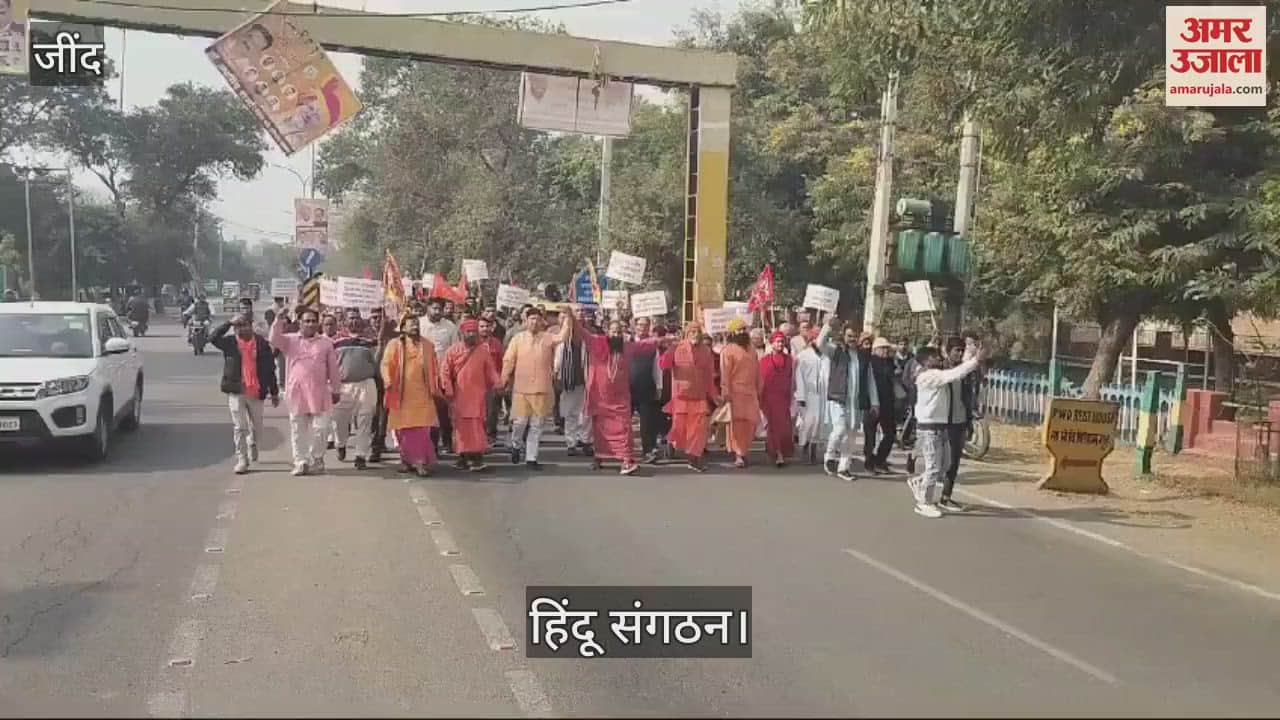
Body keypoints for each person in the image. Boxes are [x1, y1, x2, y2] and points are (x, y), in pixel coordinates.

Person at [567, 305, 652, 475]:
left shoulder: (627, 347)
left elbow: (646, 344)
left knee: (624, 429)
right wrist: (572, 317)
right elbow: (581, 331)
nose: (616, 334)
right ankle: (599, 456)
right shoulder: (596, 342)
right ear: (607, 332)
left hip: (620, 399)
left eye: (619, 332)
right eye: (613, 331)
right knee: (600, 430)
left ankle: (627, 461)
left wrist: (666, 340)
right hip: (600, 397)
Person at [910, 340, 986, 518]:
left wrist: (973, 356)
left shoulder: (936, 373)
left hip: (941, 427)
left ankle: (919, 482)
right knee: (934, 467)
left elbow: (958, 371)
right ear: (926, 361)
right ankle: (923, 502)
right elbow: (955, 373)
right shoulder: (929, 376)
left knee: (945, 465)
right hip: (929, 428)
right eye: (934, 357)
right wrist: (976, 360)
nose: (939, 358)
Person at [270, 307, 342, 476]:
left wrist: (336, 390)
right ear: (300, 323)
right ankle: (300, 461)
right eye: (306, 321)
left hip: (321, 394)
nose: (310, 324)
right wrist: (278, 320)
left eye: (313, 321)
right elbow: (274, 339)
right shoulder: (290, 341)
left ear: (318, 324)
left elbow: (333, 369)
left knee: (321, 429)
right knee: (298, 430)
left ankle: (317, 459)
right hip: (297, 393)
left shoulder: (325, 343)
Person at [501, 307, 571, 468]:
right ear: (525, 321)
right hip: (521, 389)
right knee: (519, 423)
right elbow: (508, 360)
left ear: (541, 321)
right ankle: (516, 445)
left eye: (537, 319)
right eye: (531, 319)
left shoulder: (547, 338)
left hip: (541, 389)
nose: (534, 322)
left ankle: (531, 458)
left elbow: (562, 337)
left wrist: (567, 318)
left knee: (537, 425)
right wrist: (503, 378)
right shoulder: (518, 339)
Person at [209, 314, 280, 474]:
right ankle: (242, 459)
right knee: (240, 427)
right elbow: (212, 338)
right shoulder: (230, 343)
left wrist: (274, 392)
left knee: (257, 428)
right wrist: (228, 322)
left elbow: (270, 369)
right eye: (238, 326)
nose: (241, 329)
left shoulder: (262, 344)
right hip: (236, 391)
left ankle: (252, 442)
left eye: (244, 325)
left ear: (251, 326)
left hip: (256, 392)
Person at [815, 318, 878, 482]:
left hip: (856, 402)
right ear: (844, 336)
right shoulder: (836, 351)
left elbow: (870, 380)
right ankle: (829, 455)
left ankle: (844, 467)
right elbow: (820, 343)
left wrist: (875, 402)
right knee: (840, 429)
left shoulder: (863, 356)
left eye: (855, 336)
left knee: (851, 435)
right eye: (849, 336)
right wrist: (828, 326)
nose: (852, 339)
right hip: (839, 398)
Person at [380, 313, 443, 477]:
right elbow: (386, 364)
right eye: (411, 324)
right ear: (403, 328)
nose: (415, 326)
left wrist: (437, 385)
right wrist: (387, 380)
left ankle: (420, 461)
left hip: (423, 394)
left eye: (416, 323)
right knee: (403, 430)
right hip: (401, 394)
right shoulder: (395, 344)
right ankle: (407, 460)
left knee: (421, 430)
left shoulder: (427, 345)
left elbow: (435, 367)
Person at [441, 318, 501, 472]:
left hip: (478, 396)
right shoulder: (453, 351)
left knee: (477, 427)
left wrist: (497, 383)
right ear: (462, 333)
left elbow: (490, 371)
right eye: (468, 332)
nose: (472, 334)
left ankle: (476, 457)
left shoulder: (483, 350)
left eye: (474, 332)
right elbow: (445, 372)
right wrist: (448, 389)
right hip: (459, 396)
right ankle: (462, 457)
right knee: (460, 428)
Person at [659, 322, 720, 472]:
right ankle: (671, 443)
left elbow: (709, 377)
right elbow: (663, 365)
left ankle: (695, 458)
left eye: (697, 331)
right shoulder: (677, 348)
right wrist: (669, 351)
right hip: (681, 397)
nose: (695, 334)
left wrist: (714, 396)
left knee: (699, 430)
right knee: (679, 429)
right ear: (686, 334)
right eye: (692, 332)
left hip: (699, 397)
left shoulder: (706, 351)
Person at [331, 311, 379, 470]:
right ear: (344, 321)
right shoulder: (335, 341)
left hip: (366, 384)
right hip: (343, 387)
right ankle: (341, 443)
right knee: (339, 421)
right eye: (351, 317)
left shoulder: (370, 342)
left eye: (357, 318)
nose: (354, 321)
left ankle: (360, 455)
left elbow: (377, 363)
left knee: (365, 421)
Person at [940, 334, 983, 511]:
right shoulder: (940, 370)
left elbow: (968, 395)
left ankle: (945, 496)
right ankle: (925, 495)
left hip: (959, 420)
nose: (959, 354)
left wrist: (969, 420)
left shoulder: (965, 372)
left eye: (961, 351)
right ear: (948, 351)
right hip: (942, 421)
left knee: (954, 461)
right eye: (956, 350)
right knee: (938, 461)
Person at [720, 318, 763, 468]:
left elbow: (757, 371)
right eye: (740, 329)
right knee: (737, 425)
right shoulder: (728, 350)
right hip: (735, 393)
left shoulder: (752, 349)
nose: (743, 332)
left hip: (751, 393)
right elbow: (725, 373)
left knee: (751, 423)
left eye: (745, 329)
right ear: (733, 332)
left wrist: (759, 388)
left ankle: (743, 451)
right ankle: (739, 455)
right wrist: (726, 392)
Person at [421, 298, 460, 455]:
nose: (437, 312)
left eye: (440, 309)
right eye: (434, 308)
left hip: (443, 375)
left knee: (443, 411)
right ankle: (430, 446)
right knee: (427, 412)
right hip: (422, 375)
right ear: (428, 308)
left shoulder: (450, 327)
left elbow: (455, 351)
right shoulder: (419, 324)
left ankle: (447, 441)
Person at [555, 305, 592, 456]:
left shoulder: (590, 333)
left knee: (586, 412)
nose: (581, 313)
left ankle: (586, 440)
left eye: (582, 311)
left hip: (587, 378)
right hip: (568, 379)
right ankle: (571, 442)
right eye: (577, 311)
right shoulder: (561, 336)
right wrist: (556, 375)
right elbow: (557, 358)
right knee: (570, 413)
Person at [629, 316, 666, 464]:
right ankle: (624, 451)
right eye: (639, 325)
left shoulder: (653, 345)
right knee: (624, 421)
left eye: (645, 325)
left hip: (646, 387)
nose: (642, 328)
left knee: (647, 422)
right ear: (634, 326)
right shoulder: (627, 342)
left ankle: (648, 450)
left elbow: (657, 368)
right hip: (627, 388)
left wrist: (659, 387)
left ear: (649, 327)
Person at [760, 330, 796, 467]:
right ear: (772, 344)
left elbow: (792, 378)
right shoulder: (764, 360)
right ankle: (778, 453)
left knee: (785, 427)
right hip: (769, 398)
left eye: (782, 341)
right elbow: (761, 379)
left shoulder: (790, 360)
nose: (780, 344)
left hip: (784, 398)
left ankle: (781, 451)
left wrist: (792, 394)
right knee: (774, 427)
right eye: (777, 342)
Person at [862, 337, 897, 474]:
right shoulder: (870, 362)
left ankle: (880, 459)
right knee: (870, 436)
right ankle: (869, 462)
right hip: (871, 404)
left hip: (887, 403)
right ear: (875, 349)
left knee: (890, 434)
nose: (885, 351)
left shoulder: (889, 363)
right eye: (883, 348)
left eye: (887, 348)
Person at [792, 328, 826, 463]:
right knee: (807, 424)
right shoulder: (803, 356)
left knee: (818, 424)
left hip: (822, 395)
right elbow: (798, 376)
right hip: (808, 395)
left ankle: (814, 449)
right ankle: (804, 448)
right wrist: (800, 396)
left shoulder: (825, 355)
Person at [478, 316, 505, 444]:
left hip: (492, 383)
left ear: (491, 327)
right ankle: (478, 436)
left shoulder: (496, 343)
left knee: (492, 412)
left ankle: (490, 435)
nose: (484, 329)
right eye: (481, 326)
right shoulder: (473, 343)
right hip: (475, 384)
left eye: (487, 326)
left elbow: (501, 363)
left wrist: (501, 381)